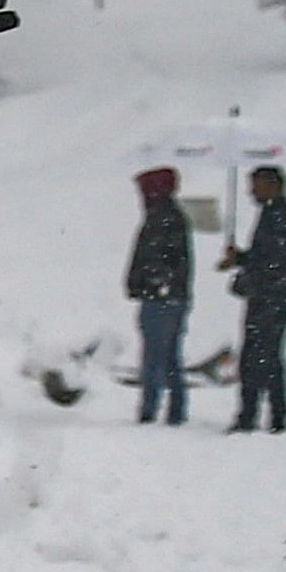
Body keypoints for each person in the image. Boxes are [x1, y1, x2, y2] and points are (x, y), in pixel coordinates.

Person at [222, 164, 286, 433]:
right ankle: (264, 414)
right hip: (268, 296)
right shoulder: (272, 215)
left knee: (263, 357)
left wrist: (248, 275)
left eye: (256, 185)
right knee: (260, 357)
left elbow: (276, 264)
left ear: (273, 185)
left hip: (273, 298)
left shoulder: (280, 219)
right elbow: (265, 258)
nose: (250, 192)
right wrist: (242, 259)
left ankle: (265, 416)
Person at [125, 168, 192, 425]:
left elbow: (156, 260)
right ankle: (175, 409)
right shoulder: (171, 217)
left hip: (160, 298)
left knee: (155, 356)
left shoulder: (161, 219)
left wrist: (145, 283)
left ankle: (151, 409)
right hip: (172, 297)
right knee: (170, 355)